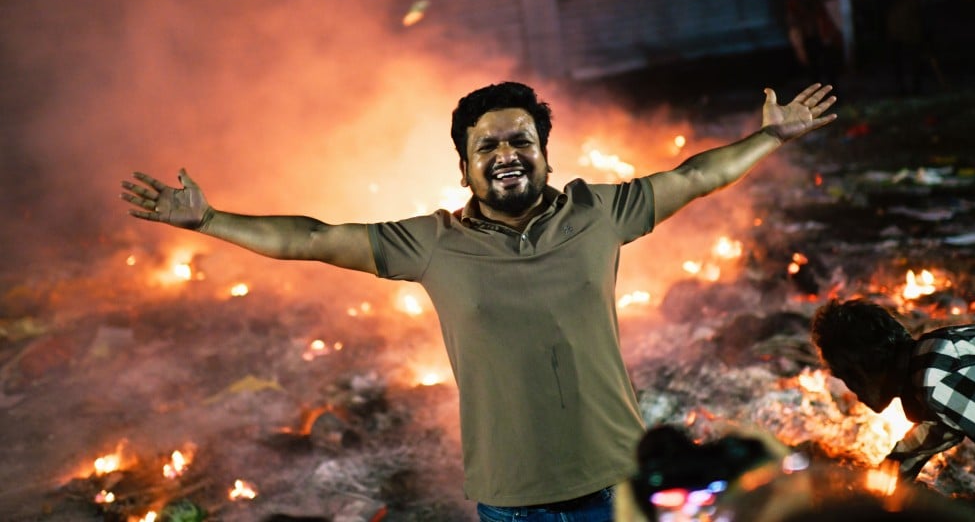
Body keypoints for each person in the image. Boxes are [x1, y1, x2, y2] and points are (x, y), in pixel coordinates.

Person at [121, 80, 837, 521]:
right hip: (509, 498)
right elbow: (309, 238)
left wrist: (769, 138)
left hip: (615, 483)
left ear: (547, 152)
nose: (505, 152)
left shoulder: (599, 212)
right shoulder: (429, 244)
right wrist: (210, 222)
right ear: (464, 166)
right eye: (485, 144)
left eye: (520, 138)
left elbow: (696, 175)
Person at [811, 298, 975, 480]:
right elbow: (933, 432)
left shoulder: (937, 377)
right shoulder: (932, 359)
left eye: (844, 375)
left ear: (859, 370)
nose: (852, 390)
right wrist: (882, 479)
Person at [786, 0, 843, 90]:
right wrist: (799, 46)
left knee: (829, 69)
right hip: (809, 38)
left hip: (822, 37)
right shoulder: (795, 1)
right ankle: (819, 97)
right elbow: (793, 24)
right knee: (814, 72)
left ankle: (834, 94)